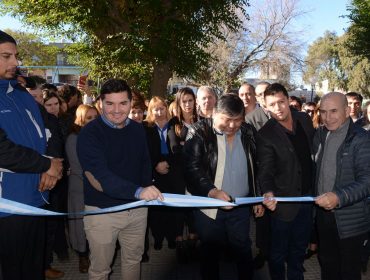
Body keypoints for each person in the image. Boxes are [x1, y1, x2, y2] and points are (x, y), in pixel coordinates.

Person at [77, 78, 163, 280]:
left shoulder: (137, 128)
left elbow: (144, 164)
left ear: (131, 103)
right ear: (100, 103)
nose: (117, 110)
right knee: (100, 270)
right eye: (110, 104)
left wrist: (145, 192)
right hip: (102, 212)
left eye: (123, 103)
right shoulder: (89, 134)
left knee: (133, 261)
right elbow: (101, 178)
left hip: (137, 209)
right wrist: (139, 191)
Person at [0, 30, 63, 280]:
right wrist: (46, 164)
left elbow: (52, 131)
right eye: (6, 56)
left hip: (37, 201)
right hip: (7, 209)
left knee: (33, 271)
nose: (15, 63)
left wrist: (54, 164)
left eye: (15, 56)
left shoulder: (23, 96)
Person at [183, 94, 265, 280]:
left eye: (237, 120)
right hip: (208, 206)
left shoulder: (248, 131)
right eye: (227, 120)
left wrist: (257, 196)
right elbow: (191, 169)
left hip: (240, 204)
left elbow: (256, 166)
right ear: (214, 113)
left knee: (243, 248)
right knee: (210, 251)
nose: (232, 126)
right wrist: (212, 192)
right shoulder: (198, 132)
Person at [257, 83, 315, 280]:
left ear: (288, 100)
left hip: (307, 199)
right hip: (283, 204)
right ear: (266, 107)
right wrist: (268, 192)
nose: (278, 108)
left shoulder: (304, 119)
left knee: (298, 252)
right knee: (278, 254)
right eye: (272, 104)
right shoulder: (265, 134)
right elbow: (265, 170)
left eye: (281, 102)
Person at [314, 92, 370, 280]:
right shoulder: (321, 134)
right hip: (324, 217)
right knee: (328, 267)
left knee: (348, 272)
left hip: (350, 221)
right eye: (323, 112)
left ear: (347, 111)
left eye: (333, 111)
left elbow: (367, 181)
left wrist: (339, 197)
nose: (327, 117)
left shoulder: (361, 138)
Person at [144, 96, 185, 251]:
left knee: (173, 206)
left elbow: (180, 149)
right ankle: (158, 237)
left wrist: (169, 163)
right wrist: (156, 165)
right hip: (155, 171)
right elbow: (145, 151)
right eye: (156, 109)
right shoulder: (146, 127)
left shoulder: (174, 124)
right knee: (157, 208)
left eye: (162, 108)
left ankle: (173, 236)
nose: (159, 111)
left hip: (174, 170)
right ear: (151, 111)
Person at [66, 104, 98, 274]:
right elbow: (77, 166)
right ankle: (82, 255)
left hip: (98, 185)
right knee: (80, 223)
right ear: (80, 119)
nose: (93, 121)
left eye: (95, 117)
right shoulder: (73, 138)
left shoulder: (100, 135)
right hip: (80, 185)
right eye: (89, 118)